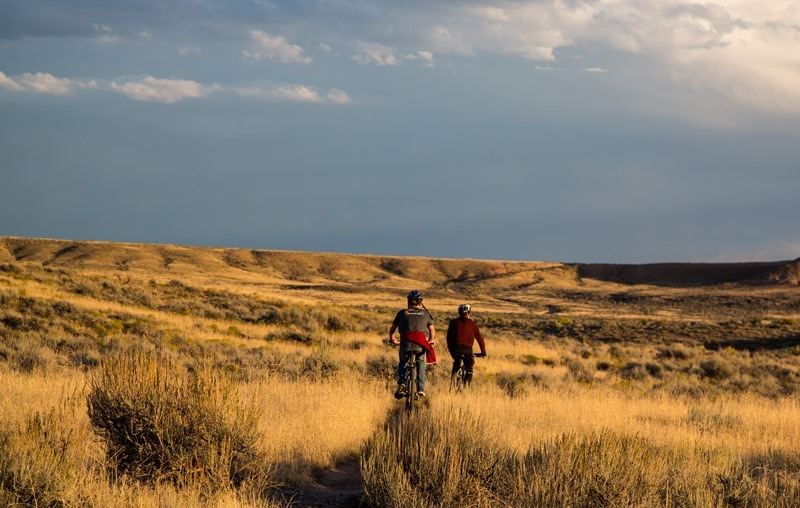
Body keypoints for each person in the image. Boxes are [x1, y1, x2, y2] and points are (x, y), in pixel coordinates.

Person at [388, 290, 436, 399]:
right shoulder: (425, 313)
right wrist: (430, 340)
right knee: (420, 363)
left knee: (403, 363)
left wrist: (393, 339)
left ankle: (402, 384)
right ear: (420, 301)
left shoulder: (402, 313)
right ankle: (420, 388)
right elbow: (432, 331)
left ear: (408, 301)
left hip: (405, 344)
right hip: (420, 345)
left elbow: (392, 330)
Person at [446, 303, 486, 387]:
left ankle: (452, 382)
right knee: (469, 367)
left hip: (455, 348)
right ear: (468, 313)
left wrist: (450, 349)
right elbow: (480, 339)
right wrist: (483, 352)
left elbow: (448, 337)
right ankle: (466, 387)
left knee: (457, 362)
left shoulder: (453, 322)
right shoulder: (472, 324)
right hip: (467, 349)